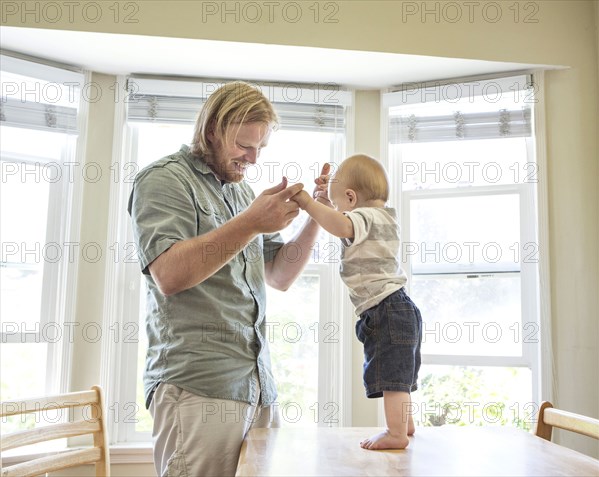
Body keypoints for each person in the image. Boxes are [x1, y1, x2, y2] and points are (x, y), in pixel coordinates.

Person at [128, 81, 330, 476]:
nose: (253, 158)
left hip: (255, 386)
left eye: (260, 148)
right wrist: (252, 223)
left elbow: (281, 274)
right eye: (244, 145)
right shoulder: (164, 179)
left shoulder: (242, 194)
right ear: (211, 132)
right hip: (197, 385)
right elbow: (168, 274)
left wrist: (316, 215)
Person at [291, 153, 423, 450]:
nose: (338, 212)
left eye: (339, 205)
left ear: (351, 198)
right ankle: (405, 423)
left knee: (391, 375)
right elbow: (340, 219)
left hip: (386, 309)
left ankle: (396, 433)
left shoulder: (362, 218)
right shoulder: (386, 217)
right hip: (401, 307)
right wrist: (326, 202)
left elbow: (341, 225)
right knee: (400, 373)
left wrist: (308, 203)